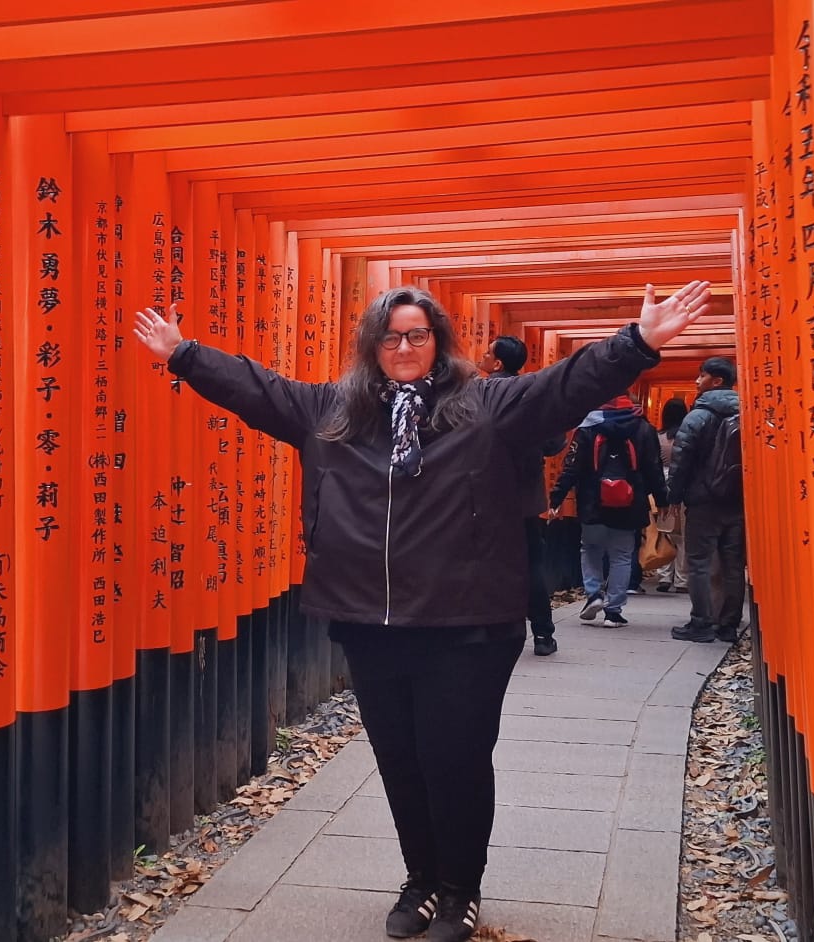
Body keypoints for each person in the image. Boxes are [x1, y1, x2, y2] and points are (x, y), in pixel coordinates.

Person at [133, 281, 710, 942]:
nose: (403, 347)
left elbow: (563, 386)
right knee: (401, 760)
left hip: (466, 625)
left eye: (417, 334)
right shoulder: (332, 413)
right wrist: (183, 353)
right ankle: (421, 881)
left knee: (455, 758)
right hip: (370, 623)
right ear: (370, 345)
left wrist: (637, 343)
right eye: (390, 335)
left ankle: (461, 889)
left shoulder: (484, 407)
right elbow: (257, 388)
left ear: (437, 341)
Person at [482, 335, 568, 657]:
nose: (482, 357)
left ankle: (494, 633)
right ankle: (543, 635)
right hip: (525, 499)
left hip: (483, 500)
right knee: (532, 565)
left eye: (487, 353)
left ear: (498, 363)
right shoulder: (533, 396)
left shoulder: (479, 394)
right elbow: (554, 442)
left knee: (486, 565)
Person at [546, 394, 664, 628]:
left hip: (593, 501)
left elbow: (572, 465)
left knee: (590, 549)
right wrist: (661, 498)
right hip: (630, 503)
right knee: (621, 555)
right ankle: (614, 611)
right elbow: (653, 466)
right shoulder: (643, 428)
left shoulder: (589, 427)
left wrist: (557, 496)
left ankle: (594, 594)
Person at [666, 357, 746, 643]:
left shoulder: (698, 416)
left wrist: (673, 495)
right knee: (733, 563)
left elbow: (681, 458)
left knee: (698, 562)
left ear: (717, 381)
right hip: (738, 500)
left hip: (703, 500)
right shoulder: (746, 413)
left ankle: (701, 622)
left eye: (701, 376)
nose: (696, 381)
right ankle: (728, 625)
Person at [651, 398, 690, 592]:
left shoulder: (658, 437)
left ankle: (664, 575)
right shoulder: (688, 435)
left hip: (663, 481)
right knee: (683, 533)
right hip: (684, 482)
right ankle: (682, 579)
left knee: (664, 531)